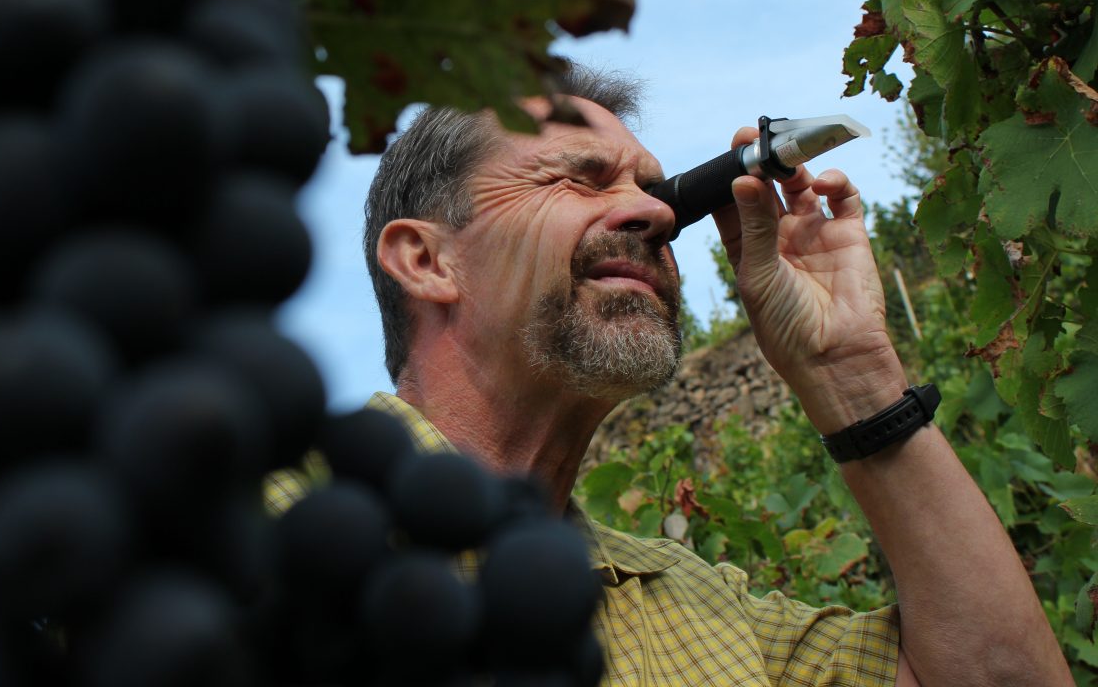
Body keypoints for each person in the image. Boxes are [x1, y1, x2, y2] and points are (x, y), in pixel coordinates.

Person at [272, 68, 1073, 686]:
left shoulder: (704, 611)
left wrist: (852, 377)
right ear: (427, 259)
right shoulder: (252, 517)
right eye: (580, 179)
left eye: (655, 194)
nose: (656, 215)